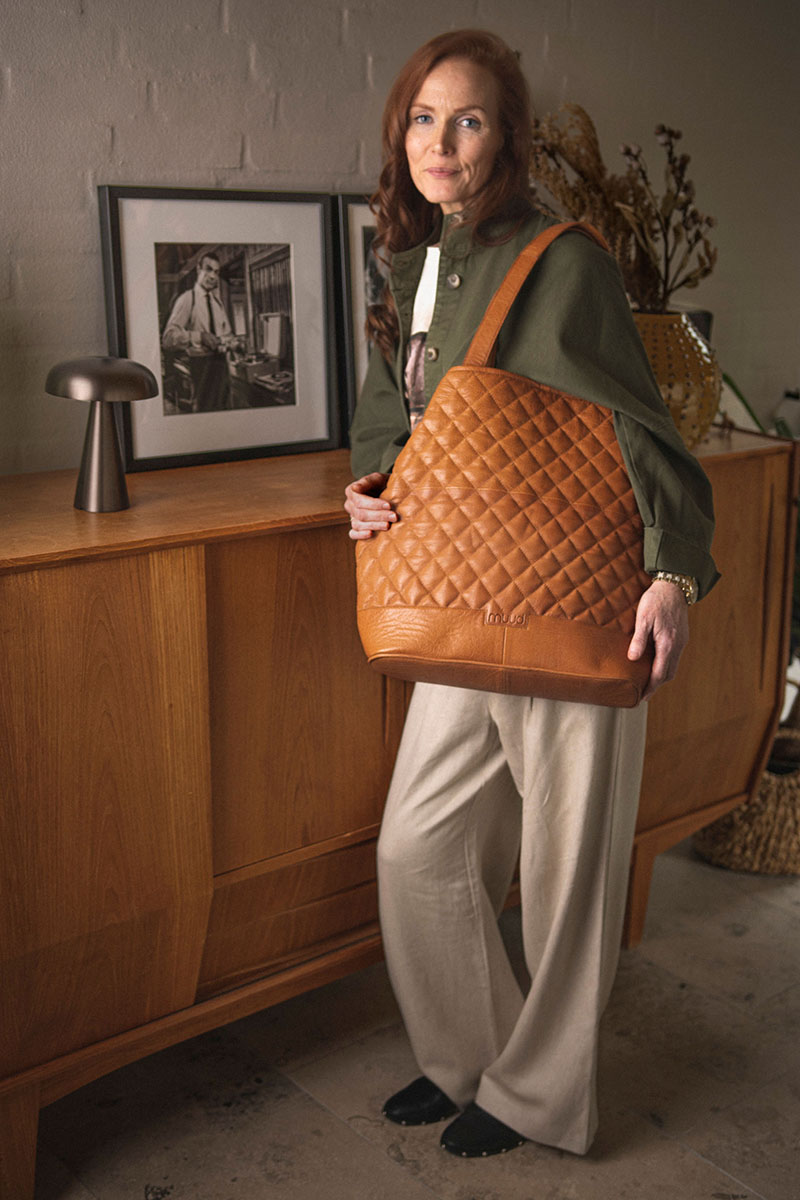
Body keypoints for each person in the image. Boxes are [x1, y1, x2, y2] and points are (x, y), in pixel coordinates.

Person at [344, 29, 718, 1160]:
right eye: (422, 118)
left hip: (575, 594)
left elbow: (642, 425)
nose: (440, 141)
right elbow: (397, 415)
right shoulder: (415, 263)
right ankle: (469, 1061)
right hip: (467, 588)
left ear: (505, 138)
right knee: (417, 848)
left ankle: (541, 1098)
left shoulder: (565, 260)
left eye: (467, 120)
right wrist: (369, 487)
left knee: (567, 870)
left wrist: (671, 573)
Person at [162, 252, 235, 412]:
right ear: (198, 269)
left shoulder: (218, 303)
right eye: (208, 269)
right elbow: (168, 338)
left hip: (222, 368)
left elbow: (227, 334)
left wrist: (232, 342)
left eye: (216, 272)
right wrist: (200, 337)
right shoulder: (187, 299)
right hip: (201, 368)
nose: (213, 276)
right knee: (204, 414)